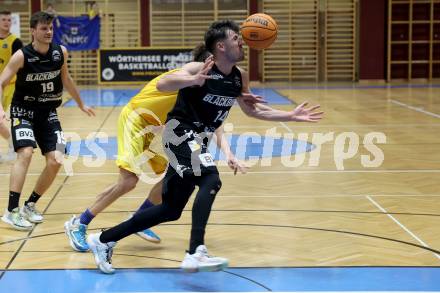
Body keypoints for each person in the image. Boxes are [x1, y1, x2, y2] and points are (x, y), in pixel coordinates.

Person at [87, 19, 323, 274]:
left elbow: (253, 110)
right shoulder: (199, 67)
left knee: (170, 210)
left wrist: (290, 115)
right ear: (220, 46)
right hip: (178, 134)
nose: (242, 41)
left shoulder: (238, 76)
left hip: (196, 140)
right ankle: (195, 251)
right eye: (236, 39)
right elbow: (162, 85)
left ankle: (102, 240)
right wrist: (191, 80)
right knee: (211, 178)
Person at [64, 45, 252, 252]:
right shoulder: (185, 78)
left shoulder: (208, 87)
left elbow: (215, 124)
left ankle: (139, 219)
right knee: (128, 181)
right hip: (136, 120)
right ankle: (79, 223)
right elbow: (164, 85)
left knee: (174, 174)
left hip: (158, 129)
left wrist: (228, 153)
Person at [0, 11, 95, 230]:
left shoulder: (60, 52)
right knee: (25, 153)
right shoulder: (21, 56)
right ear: (33, 31)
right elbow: (1, 82)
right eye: (43, 28)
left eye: (50, 28)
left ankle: (30, 205)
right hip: (23, 111)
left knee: (57, 160)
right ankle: (11, 211)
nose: (48, 32)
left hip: (49, 113)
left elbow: (66, 78)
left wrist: (81, 103)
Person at [0, 10, 23, 162]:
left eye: (9, 20)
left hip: (11, 85)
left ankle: (15, 147)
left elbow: (21, 66)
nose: (7, 22)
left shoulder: (15, 42)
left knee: (9, 120)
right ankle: (12, 145)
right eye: (3, 20)